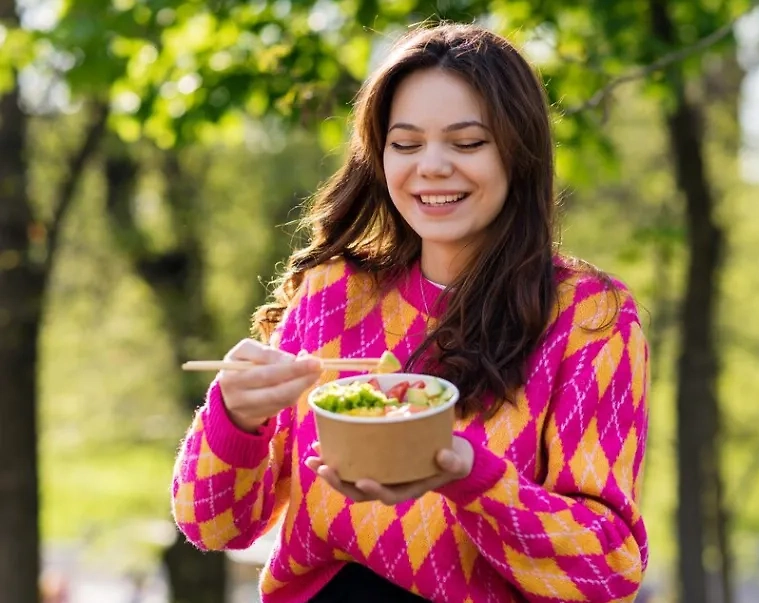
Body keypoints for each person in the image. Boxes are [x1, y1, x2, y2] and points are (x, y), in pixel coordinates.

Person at [170, 22, 650, 603]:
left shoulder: (589, 317)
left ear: (518, 153)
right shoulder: (331, 294)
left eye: (467, 143)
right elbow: (214, 526)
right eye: (406, 144)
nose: (433, 166)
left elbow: (607, 573)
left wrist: (468, 475)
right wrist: (234, 417)